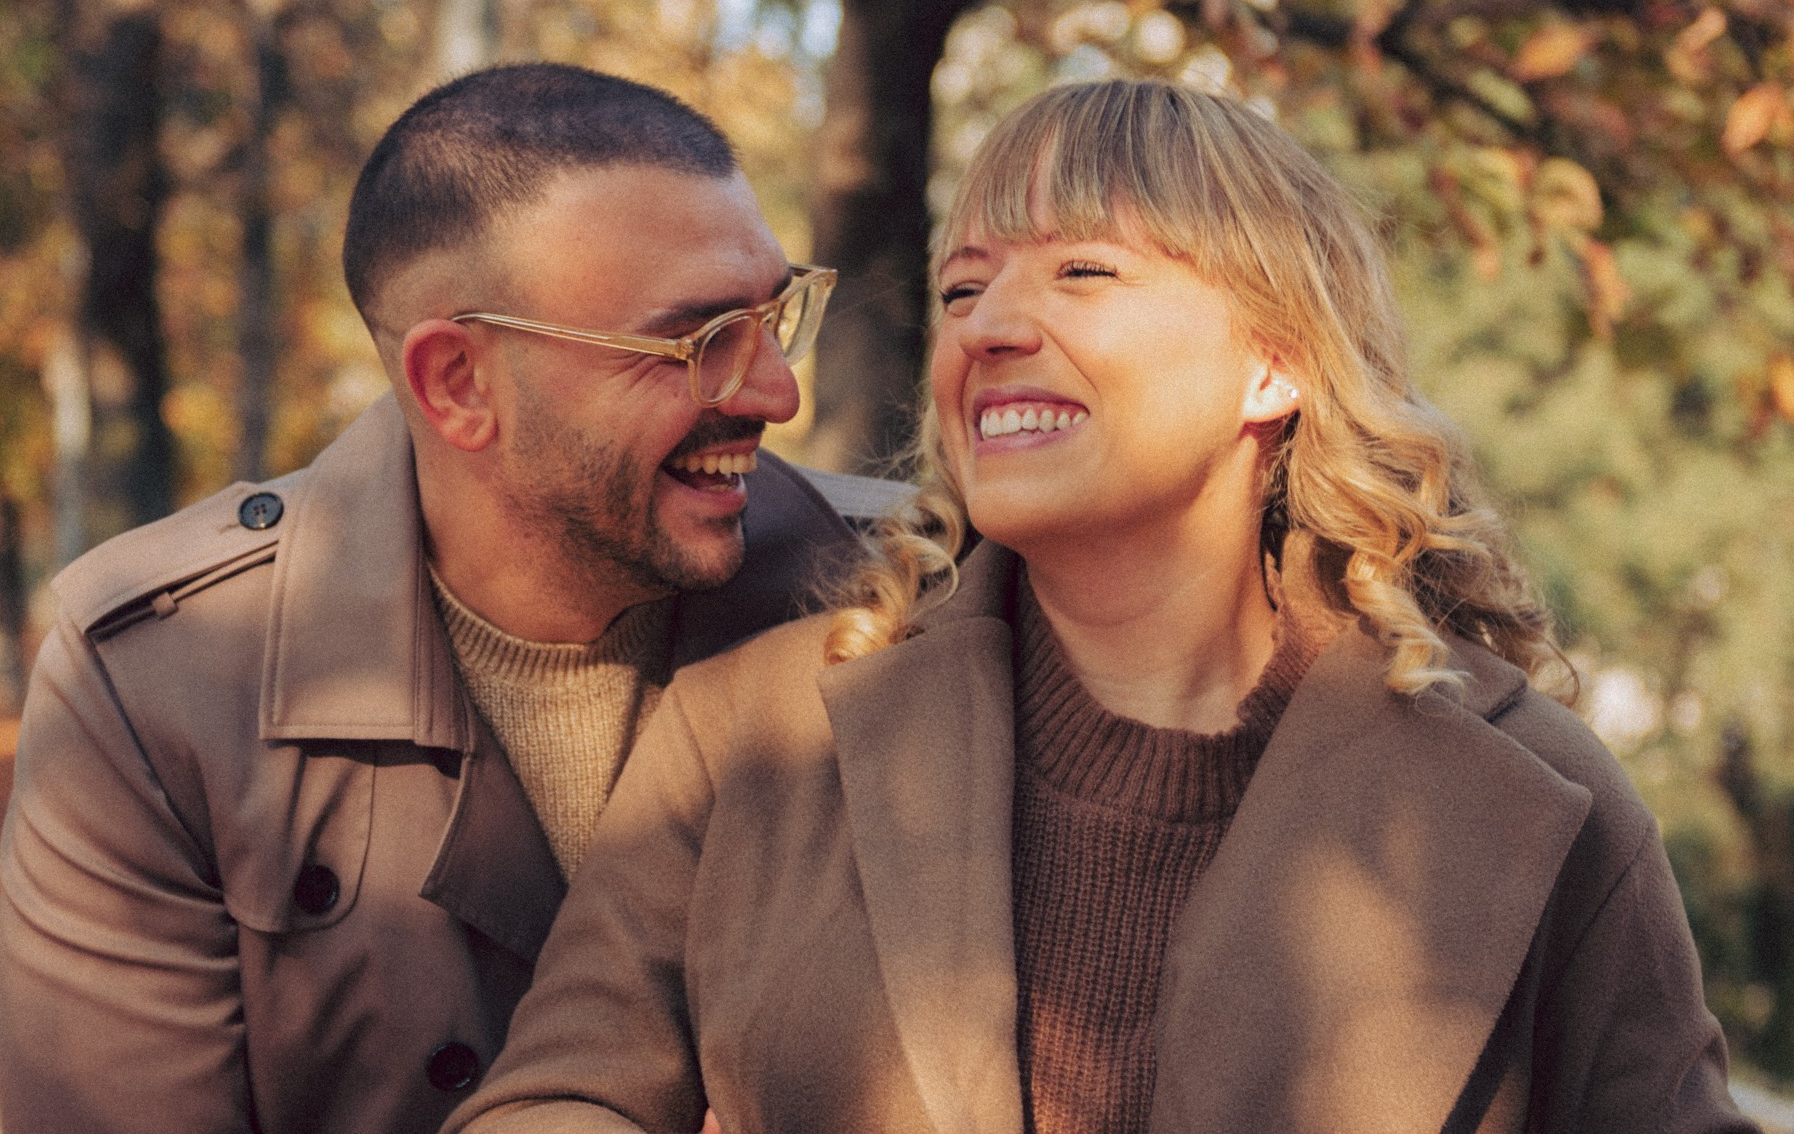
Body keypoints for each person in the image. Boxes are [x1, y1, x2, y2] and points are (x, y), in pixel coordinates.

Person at [449, 79, 1757, 1134]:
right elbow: (567, 1091)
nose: (992, 326)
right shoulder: (752, 732)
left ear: (1276, 364)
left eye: (1082, 272)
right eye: (964, 288)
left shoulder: (1534, 792)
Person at [0, 63, 907, 1134]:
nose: (775, 394)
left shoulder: (904, 599)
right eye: (699, 341)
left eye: (773, 316)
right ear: (458, 385)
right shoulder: (160, 686)